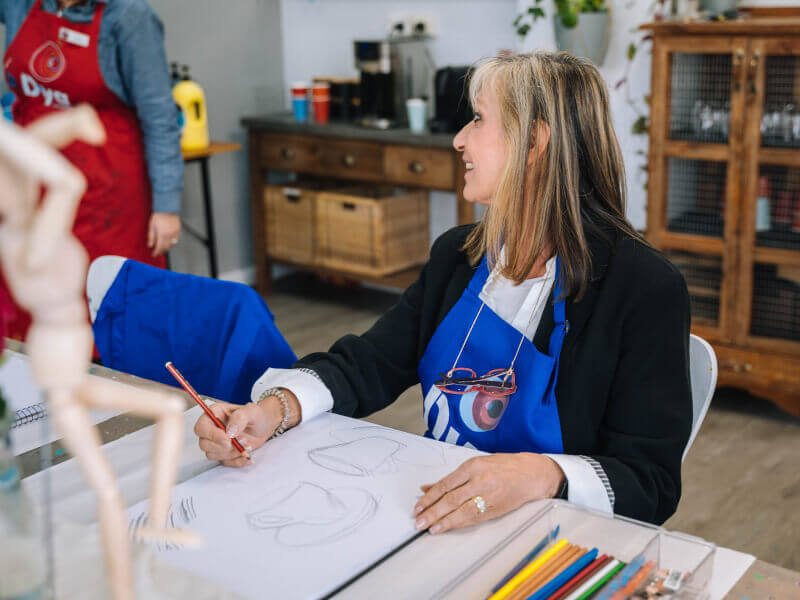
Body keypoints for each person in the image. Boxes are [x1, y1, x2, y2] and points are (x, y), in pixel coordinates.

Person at [194, 52, 692, 532]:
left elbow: (650, 483)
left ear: (534, 143)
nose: (458, 140)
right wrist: (274, 410)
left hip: (553, 538)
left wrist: (543, 475)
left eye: (477, 119)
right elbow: (368, 362)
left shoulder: (642, 289)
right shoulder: (460, 256)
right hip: (444, 519)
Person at [0, 0, 182, 339]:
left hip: (109, 192)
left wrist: (166, 206)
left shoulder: (129, 16)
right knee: (37, 304)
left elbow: (159, 117)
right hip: (35, 183)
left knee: (110, 307)